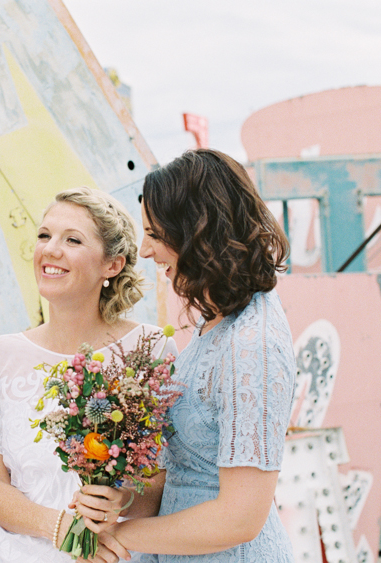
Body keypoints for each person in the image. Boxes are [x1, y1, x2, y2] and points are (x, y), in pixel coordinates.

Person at [75, 149, 296, 561]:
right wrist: (117, 504)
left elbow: (239, 518)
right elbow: (185, 473)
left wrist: (124, 536)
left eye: (155, 235)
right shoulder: (215, 322)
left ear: (197, 233)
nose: (144, 251)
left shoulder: (253, 345)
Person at [0, 187, 178, 563]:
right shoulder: (0, 354)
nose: (50, 249)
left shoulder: (150, 349)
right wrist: (61, 529)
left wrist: (124, 499)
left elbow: (167, 478)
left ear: (111, 265)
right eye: (44, 235)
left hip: (115, 553)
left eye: (72, 239)